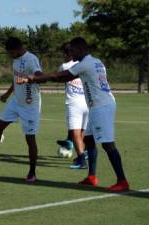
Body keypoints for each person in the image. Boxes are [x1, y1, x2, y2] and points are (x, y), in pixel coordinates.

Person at [16, 37, 129, 192]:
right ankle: (92, 177)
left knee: (108, 144)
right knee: (88, 139)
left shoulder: (84, 64)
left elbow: (59, 77)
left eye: (72, 50)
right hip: (98, 105)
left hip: (101, 107)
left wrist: (33, 78)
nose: (70, 53)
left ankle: (122, 181)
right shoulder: (96, 61)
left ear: (80, 49)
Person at [0, 37, 43, 183]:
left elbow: (40, 76)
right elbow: (16, 79)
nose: (10, 55)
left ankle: (32, 172)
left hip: (30, 105)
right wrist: (8, 93)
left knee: (30, 139)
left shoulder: (31, 59)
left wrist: (28, 79)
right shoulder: (15, 59)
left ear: (18, 49)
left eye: (11, 52)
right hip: (16, 101)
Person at [58, 42, 89, 169]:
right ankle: (81, 153)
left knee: (75, 132)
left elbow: (59, 78)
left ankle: (81, 158)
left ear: (67, 54)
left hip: (73, 102)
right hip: (87, 102)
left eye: (63, 54)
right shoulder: (83, 65)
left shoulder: (64, 66)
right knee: (81, 130)